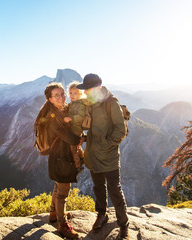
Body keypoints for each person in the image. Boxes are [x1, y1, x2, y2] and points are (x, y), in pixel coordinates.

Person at [77, 74, 129, 240]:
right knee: (98, 187)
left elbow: (120, 130)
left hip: (108, 156)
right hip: (92, 155)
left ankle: (123, 225)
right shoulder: (90, 103)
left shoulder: (111, 103)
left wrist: (105, 145)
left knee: (115, 190)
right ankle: (102, 215)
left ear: (98, 87)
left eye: (87, 89)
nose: (85, 92)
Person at [34, 82, 82, 239]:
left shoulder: (60, 112)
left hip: (59, 158)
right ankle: (62, 224)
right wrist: (82, 137)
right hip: (61, 160)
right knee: (63, 191)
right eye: (57, 96)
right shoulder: (53, 118)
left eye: (62, 94)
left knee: (57, 185)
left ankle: (54, 214)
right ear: (50, 99)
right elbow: (71, 138)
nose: (62, 98)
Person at [63, 81, 86, 174]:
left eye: (75, 93)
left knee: (72, 147)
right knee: (76, 145)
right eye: (71, 93)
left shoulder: (81, 104)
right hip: (72, 128)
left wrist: (71, 119)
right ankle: (82, 157)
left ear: (80, 94)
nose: (72, 95)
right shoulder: (71, 104)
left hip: (76, 129)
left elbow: (81, 116)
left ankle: (77, 166)